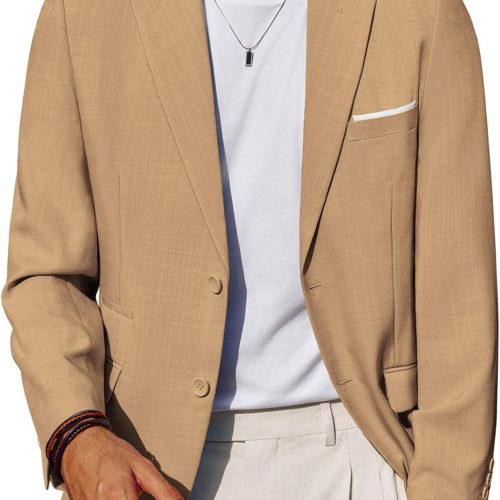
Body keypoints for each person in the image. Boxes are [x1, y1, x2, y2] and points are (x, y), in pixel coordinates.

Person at [2, 0, 497, 498]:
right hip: (145, 463)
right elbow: (46, 272)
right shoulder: (84, 13)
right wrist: (78, 435)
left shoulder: (419, 13)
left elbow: (458, 293)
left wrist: (447, 486)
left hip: (362, 452)